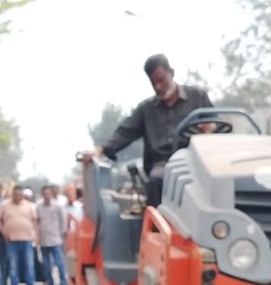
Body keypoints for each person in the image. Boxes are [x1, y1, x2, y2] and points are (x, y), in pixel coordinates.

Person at [84, 54, 213, 207]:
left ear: (171, 73)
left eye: (161, 81)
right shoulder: (146, 110)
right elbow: (125, 132)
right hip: (164, 163)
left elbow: (215, 122)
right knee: (157, 179)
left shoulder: (197, 96)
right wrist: (101, 149)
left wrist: (211, 127)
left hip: (197, 158)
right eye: (154, 83)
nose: (158, 87)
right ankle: (157, 225)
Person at [0, 184, 39, 285]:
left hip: (27, 239)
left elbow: (35, 221)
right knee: (13, 265)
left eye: (20, 195)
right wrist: (4, 232)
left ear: (23, 195)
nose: (18, 197)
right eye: (16, 194)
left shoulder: (29, 205)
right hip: (11, 240)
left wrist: (36, 235)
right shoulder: (4, 205)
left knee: (29, 264)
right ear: (12, 194)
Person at [37, 185, 70, 285]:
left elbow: (63, 222)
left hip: (56, 239)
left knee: (60, 263)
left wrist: (62, 236)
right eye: (44, 194)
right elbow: (38, 222)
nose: (46, 196)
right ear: (42, 195)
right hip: (44, 240)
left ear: (52, 194)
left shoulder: (58, 206)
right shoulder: (39, 207)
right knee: (46, 265)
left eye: (48, 194)